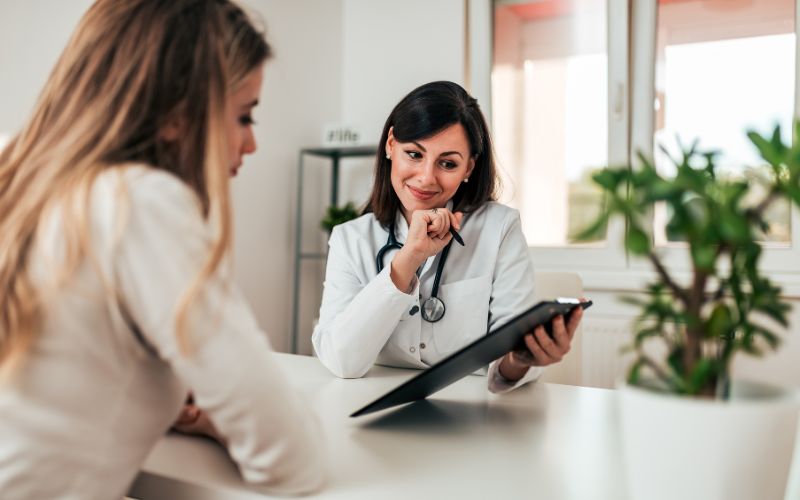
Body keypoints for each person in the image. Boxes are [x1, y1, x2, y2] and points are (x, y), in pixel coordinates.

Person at [0, 1, 325, 497]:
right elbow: (291, 457)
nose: (252, 144)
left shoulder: (14, 168)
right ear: (176, 116)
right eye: (244, 116)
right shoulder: (139, 202)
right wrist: (219, 416)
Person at [312, 81, 583, 392]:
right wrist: (408, 258)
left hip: (474, 412)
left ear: (469, 167)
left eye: (448, 163)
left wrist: (522, 359)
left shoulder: (499, 227)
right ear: (390, 145)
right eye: (414, 154)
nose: (426, 177)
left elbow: (506, 357)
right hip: (372, 402)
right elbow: (342, 362)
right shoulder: (350, 239)